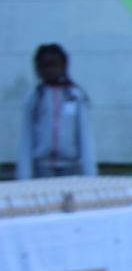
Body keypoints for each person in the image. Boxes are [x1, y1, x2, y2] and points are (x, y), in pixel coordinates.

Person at [16, 43, 96, 179]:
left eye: (54, 65)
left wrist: (90, 174)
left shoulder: (75, 96)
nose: (50, 70)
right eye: (45, 66)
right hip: (42, 167)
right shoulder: (34, 98)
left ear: (64, 67)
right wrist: (23, 175)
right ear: (38, 69)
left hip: (71, 166)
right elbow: (26, 137)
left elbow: (84, 135)